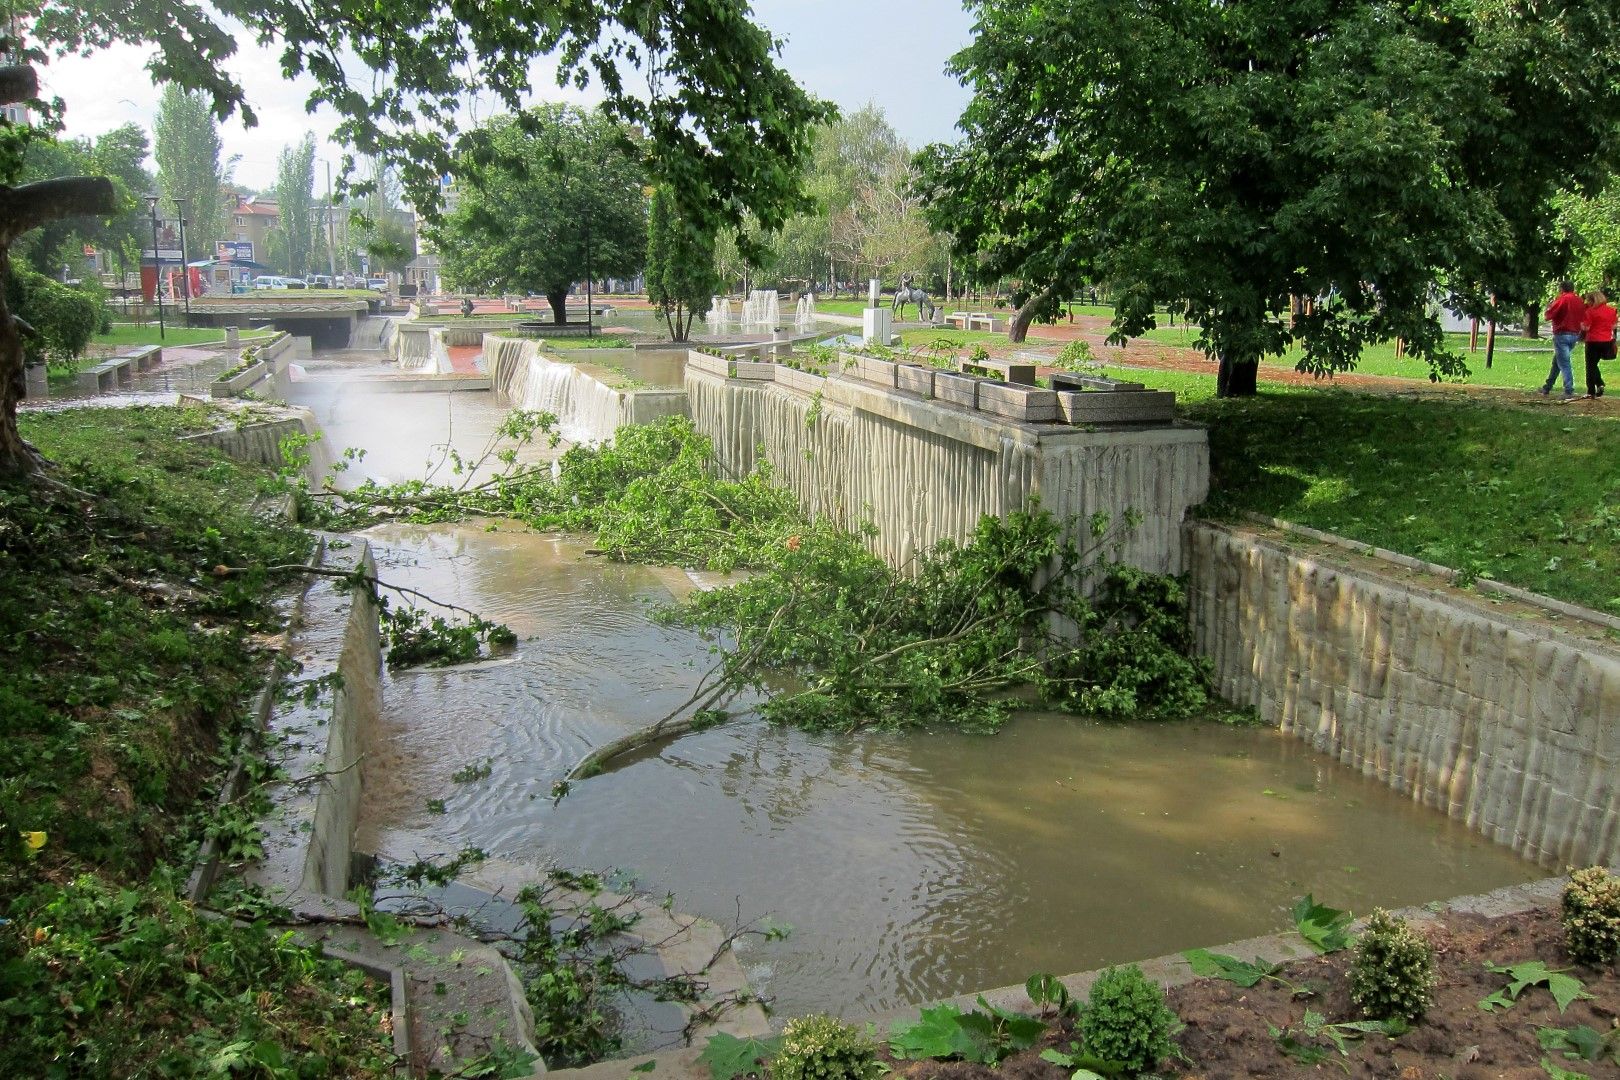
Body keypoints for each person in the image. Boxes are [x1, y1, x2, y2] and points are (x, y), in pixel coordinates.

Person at [1541, 280, 1587, 400]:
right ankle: (1547, 386)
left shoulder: (1562, 299)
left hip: (1562, 334)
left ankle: (1568, 389)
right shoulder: (1579, 300)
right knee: (1557, 361)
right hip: (1574, 334)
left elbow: (1548, 315)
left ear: (1562, 289)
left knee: (1564, 363)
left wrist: (1549, 307)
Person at [1583, 289, 1615, 398]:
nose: (1587, 303)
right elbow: (1613, 325)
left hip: (1593, 340)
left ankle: (1591, 390)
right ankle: (1600, 383)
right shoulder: (1611, 310)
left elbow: (1586, 327)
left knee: (1590, 366)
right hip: (1607, 341)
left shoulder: (1591, 312)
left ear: (1593, 300)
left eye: (1588, 301)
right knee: (1594, 365)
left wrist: (1580, 325)